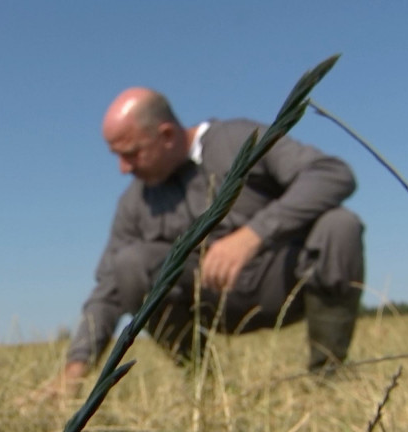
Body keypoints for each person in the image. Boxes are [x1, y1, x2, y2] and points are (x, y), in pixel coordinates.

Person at [51, 87, 363, 397]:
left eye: (131, 153)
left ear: (167, 135)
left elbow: (332, 173)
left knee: (339, 225)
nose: (123, 168)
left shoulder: (239, 138)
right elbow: (108, 288)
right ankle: (207, 388)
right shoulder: (135, 202)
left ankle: (326, 379)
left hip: (283, 283)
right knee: (129, 263)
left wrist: (255, 234)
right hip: (212, 304)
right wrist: (74, 372)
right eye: (117, 156)